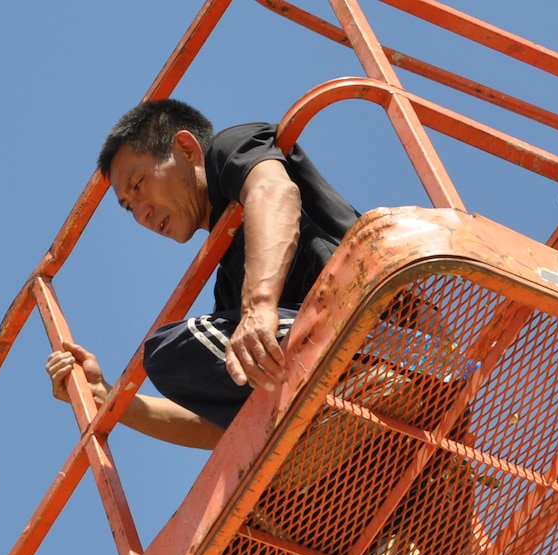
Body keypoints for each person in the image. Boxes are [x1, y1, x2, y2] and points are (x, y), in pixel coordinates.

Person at [46, 97, 360, 448]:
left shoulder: (231, 148)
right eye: (128, 208)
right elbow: (224, 427)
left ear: (186, 148)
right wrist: (107, 398)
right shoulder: (229, 285)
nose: (141, 214)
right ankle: (327, 429)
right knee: (241, 440)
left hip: (362, 319)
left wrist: (259, 307)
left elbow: (273, 190)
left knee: (167, 349)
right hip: (335, 407)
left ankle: (360, 379)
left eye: (138, 185)